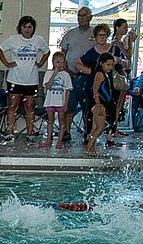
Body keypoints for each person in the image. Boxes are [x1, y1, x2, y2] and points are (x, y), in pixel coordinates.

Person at [0, 15, 49, 143]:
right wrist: (7, 64)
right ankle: (10, 133)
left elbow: (47, 52)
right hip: (15, 78)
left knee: (30, 107)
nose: (27, 29)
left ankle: (30, 134)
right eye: (24, 27)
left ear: (33, 28)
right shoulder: (14, 39)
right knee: (13, 106)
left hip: (31, 79)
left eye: (30, 27)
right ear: (20, 27)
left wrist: (41, 63)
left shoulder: (38, 40)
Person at [75, 24, 125, 147]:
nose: (102, 37)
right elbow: (78, 62)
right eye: (99, 35)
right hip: (97, 88)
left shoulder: (115, 49)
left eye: (104, 35)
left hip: (111, 87)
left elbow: (126, 63)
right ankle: (90, 139)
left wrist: (119, 61)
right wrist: (88, 71)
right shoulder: (92, 55)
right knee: (95, 116)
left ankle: (108, 135)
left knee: (111, 112)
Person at [59, 7, 95, 143]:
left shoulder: (95, 34)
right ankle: (67, 132)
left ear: (90, 17)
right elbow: (62, 54)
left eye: (84, 15)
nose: (81, 18)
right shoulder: (70, 34)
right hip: (71, 75)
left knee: (87, 107)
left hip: (88, 77)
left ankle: (87, 132)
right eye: (79, 15)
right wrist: (66, 70)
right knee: (70, 106)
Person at [84, 52, 115, 157]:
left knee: (95, 128)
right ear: (101, 63)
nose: (110, 67)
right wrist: (98, 105)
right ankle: (89, 148)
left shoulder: (105, 74)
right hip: (98, 104)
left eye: (112, 65)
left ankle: (89, 148)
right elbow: (95, 91)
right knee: (100, 127)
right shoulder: (100, 74)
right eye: (108, 65)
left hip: (101, 103)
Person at [40, 52, 72, 149]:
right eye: (57, 62)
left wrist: (65, 104)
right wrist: (54, 73)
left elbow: (68, 91)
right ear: (53, 62)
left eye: (62, 62)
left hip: (60, 102)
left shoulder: (66, 75)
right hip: (50, 101)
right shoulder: (48, 73)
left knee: (62, 121)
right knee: (50, 120)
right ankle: (48, 140)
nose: (60, 65)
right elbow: (48, 86)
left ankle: (59, 141)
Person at [112, 19, 137, 137]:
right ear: (117, 28)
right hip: (118, 74)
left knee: (120, 102)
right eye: (124, 27)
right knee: (118, 102)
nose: (126, 29)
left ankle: (114, 126)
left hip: (122, 73)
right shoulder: (116, 42)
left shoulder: (119, 41)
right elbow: (128, 54)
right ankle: (113, 128)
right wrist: (130, 41)